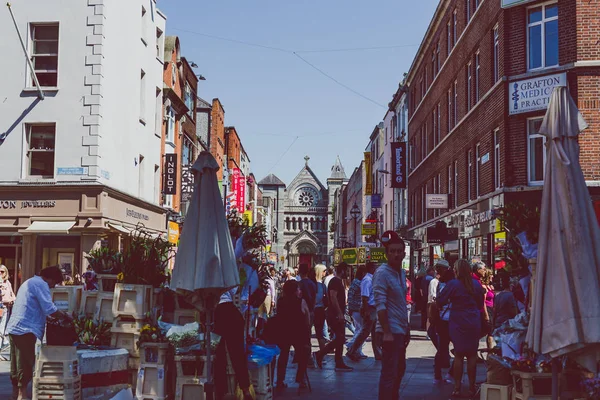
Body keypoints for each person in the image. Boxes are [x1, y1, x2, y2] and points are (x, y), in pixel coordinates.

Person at [7, 266, 72, 400]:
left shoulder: (30, 282)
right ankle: (22, 396)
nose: (53, 286)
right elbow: (50, 308)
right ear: (51, 278)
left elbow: (36, 307)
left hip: (15, 327)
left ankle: (15, 394)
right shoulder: (41, 284)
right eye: (54, 283)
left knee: (16, 365)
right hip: (25, 329)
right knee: (24, 363)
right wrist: (65, 316)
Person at [436, 259, 484, 399]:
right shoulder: (476, 284)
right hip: (473, 320)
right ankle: (471, 386)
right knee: (472, 355)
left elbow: (440, 301)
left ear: (457, 270)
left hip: (458, 320)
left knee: (458, 354)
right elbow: (480, 303)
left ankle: (457, 387)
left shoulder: (453, 284)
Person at [374, 231, 410, 400]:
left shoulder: (401, 273)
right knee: (390, 372)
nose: (396, 254)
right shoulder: (382, 273)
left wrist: (407, 327)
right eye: (392, 251)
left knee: (400, 369)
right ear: (387, 253)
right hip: (389, 330)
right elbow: (380, 304)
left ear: (404, 253)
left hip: (400, 329)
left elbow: (402, 302)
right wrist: (386, 331)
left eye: (399, 251)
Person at [314, 262, 353, 372]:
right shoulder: (335, 281)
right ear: (343, 270)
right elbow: (333, 297)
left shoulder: (338, 281)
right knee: (340, 338)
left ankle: (339, 362)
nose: (349, 274)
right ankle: (320, 354)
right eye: (348, 271)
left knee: (340, 338)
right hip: (334, 314)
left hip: (336, 313)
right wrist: (339, 313)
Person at [275, 280, 311, 389]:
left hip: (284, 332)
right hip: (298, 333)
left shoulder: (281, 301)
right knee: (304, 354)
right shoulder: (301, 302)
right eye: (298, 289)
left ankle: (280, 380)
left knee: (283, 356)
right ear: (295, 291)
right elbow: (307, 320)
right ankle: (300, 379)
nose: (299, 291)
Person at [347, 262, 382, 361]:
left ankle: (377, 353)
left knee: (375, 333)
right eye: (375, 268)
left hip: (373, 308)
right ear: (371, 269)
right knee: (365, 332)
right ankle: (352, 351)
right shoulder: (367, 280)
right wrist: (366, 310)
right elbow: (365, 297)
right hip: (369, 308)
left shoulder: (372, 279)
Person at [433, 262, 453, 385]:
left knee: (442, 347)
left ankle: (438, 373)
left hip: (444, 318)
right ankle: (449, 373)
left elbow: (439, 301)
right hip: (450, 318)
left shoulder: (440, 283)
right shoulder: (444, 283)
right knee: (455, 348)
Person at [346, 266, 366, 359]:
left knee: (359, 329)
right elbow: (350, 296)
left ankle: (358, 350)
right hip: (357, 309)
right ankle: (351, 345)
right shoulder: (358, 283)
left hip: (355, 309)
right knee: (362, 330)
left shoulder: (356, 282)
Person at [313, 264, 329, 351]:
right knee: (319, 332)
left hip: (319, 310)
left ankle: (322, 351)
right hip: (317, 309)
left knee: (320, 332)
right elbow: (318, 298)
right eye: (324, 271)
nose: (325, 273)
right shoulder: (319, 285)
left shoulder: (322, 285)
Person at [481, 269, 495, 349]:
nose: (492, 276)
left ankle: (490, 350)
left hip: (492, 309)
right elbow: (483, 302)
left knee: (490, 331)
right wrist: (485, 314)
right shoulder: (484, 287)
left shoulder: (490, 286)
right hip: (487, 309)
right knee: (488, 331)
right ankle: (490, 350)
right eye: (491, 275)